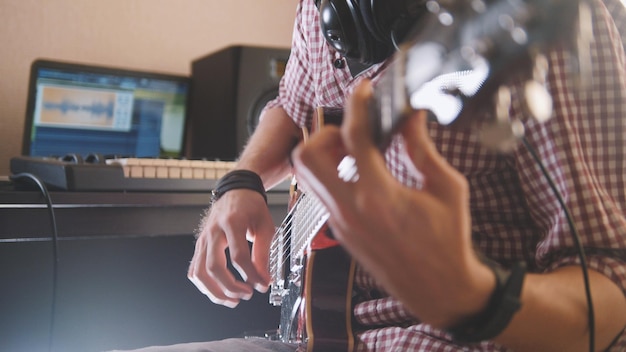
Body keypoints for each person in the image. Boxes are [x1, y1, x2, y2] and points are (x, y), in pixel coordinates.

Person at [117, 0, 626, 350]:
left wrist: (475, 295)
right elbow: (292, 105)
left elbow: (610, 292)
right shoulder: (320, 12)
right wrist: (241, 181)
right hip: (314, 334)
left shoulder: (531, 16)